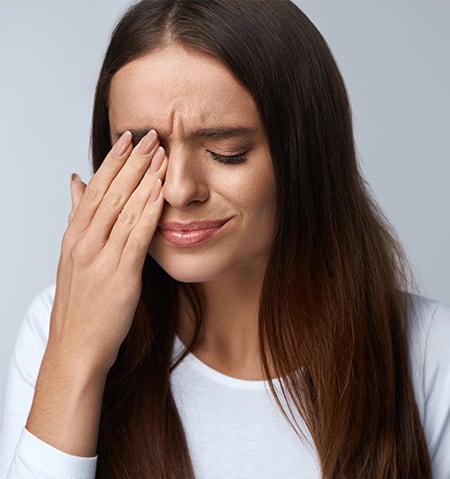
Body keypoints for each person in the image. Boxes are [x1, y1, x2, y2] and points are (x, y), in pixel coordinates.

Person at [1, 0, 449, 477]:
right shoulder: (56, 328)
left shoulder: (426, 351)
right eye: (141, 153)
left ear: (306, 154)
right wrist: (76, 357)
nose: (178, 189)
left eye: (226, 153)